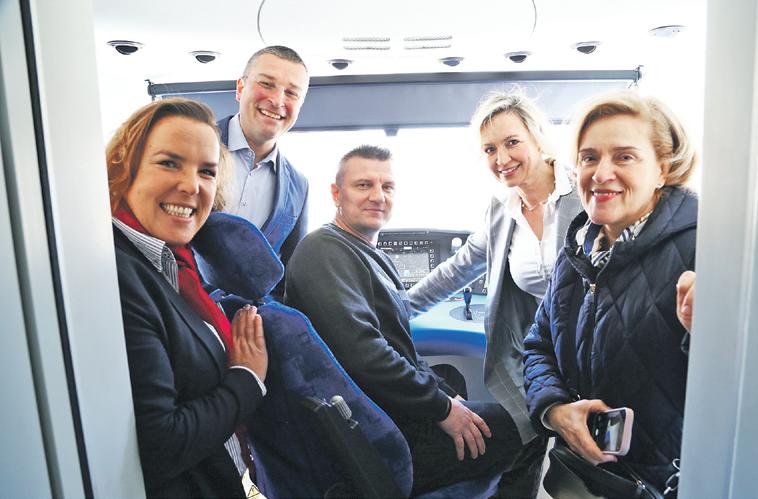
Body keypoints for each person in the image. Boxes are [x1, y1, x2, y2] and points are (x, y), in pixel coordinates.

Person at [284, 145, 528, 496]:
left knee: (453, 379)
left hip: (387, 412)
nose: (378, 196)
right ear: (336, 194)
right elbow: (364, 354)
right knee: (527, 425)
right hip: (383, 437)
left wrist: (447, 396)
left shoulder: (368, 253)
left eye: (387, 187)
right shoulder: (322, 250)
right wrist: (442, 408)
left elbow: (402, 348)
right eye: (363, 185)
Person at [523, 90, 699, 495]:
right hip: (584, 474)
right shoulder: (578, 251)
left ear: (663, 169)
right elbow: (538, 345)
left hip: (660, 484)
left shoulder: (706, 249)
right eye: (589, 158)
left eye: (624, 157)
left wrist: (707, 335)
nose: (601, 173)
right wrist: (554, 410)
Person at [407, 90, 582, 493]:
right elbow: (459, 269)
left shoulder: (582, 191)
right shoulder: (502, 210)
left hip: (588, 349)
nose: (501, 158)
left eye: (511, 142)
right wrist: (397, 310)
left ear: (538, 138)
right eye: (489, 149)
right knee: (522, 447)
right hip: (541, 356)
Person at [108, 98, 268, 498]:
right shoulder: (116, 274)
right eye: (169, 163)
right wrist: (248, 379)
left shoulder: (173, 264)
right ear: (124, 169)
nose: (192, 186)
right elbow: (161, 444)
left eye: (206, 171)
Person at [218, 45, 311, 298]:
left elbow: (287, 280)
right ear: (240, 88)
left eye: (291, 93)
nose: (278, 101)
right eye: (267, 84)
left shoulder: (299, 186)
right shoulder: (191, 145)